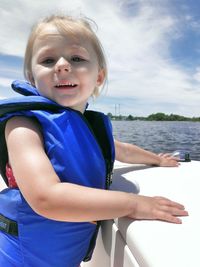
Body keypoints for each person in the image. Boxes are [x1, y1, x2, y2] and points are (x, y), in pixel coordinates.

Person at [0, 14, 188, 267]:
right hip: (23, 258)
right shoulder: (23, 126)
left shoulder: (89, 128)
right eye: (48, 59)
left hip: (63, 255)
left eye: (77, 58)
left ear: (98, 77)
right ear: (33, 79)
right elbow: (46, 197)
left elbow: (122, 151)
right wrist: (132, 204)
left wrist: (157, 160)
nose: (62, 65)